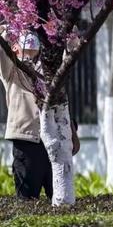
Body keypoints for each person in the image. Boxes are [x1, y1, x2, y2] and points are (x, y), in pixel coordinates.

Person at [0, 27, 80, 199]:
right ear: (14, 47)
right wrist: (7, 30)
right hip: (27, 141)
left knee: (60, 196)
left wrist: (68, 27)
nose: (29, 38)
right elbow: (1, 52)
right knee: (27, 199)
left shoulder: (51, 70)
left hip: (54, 137)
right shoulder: (12, 71)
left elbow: (71, 53)